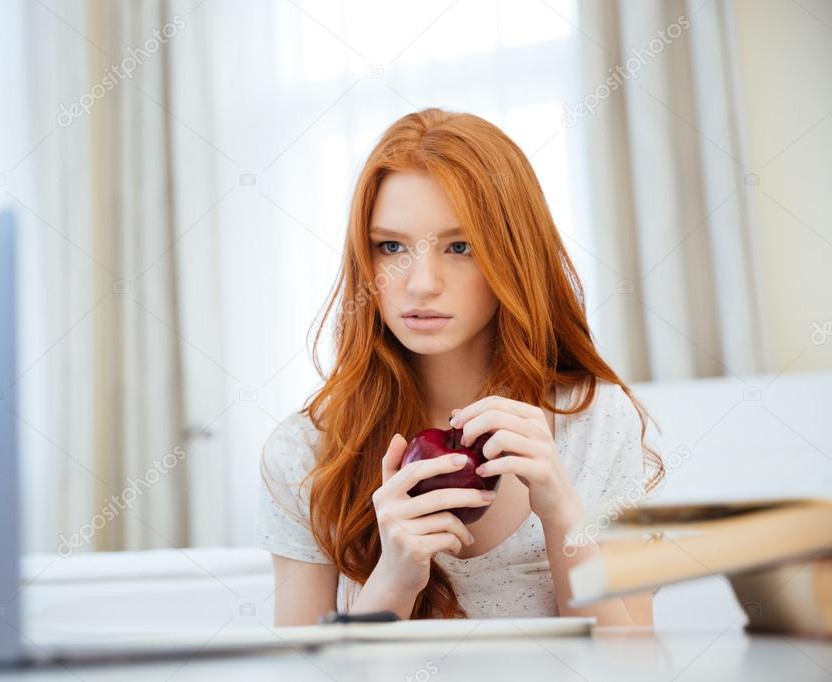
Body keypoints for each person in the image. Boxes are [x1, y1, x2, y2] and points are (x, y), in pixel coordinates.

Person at [255, 108, 664, 625]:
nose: (421, 282)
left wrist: (563, 515)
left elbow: (635, 670)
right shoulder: (306, 452)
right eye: (391, 247)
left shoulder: (597, 422)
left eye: (460, 246)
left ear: (514, 256)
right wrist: (396, 578)